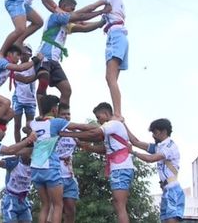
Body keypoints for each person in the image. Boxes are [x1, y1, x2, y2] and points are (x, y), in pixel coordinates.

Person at [59, 102, 134, 223]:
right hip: (119, 167)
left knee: (119, 205)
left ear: (105, 113)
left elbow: (94, 133)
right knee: (117, 204)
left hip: (121, 167)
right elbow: (105, 149)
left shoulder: (113, 124)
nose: (98, 121)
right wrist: (85, 146)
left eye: (99, 117)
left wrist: (68, 133)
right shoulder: (112, 129)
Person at [35, 0, 108, 112]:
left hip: (54, 60)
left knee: (66, 90)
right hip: (44, 55)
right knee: (43, 81)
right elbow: (81, 16)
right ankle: (42, 114)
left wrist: (101, 23)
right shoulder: (56, 17)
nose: (73, 12)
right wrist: (101, 11)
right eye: (72, 9)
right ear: (63, 7)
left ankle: (63, 116)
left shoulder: (66, 25)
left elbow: (84, 27)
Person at [30, 95, 95, 223]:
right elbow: (82, 127)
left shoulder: (33, 124)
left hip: (35, 168)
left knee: (45, 206)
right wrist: (100, 128)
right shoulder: (56, 122)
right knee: (58, 205)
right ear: (55, 109)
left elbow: (27, 126)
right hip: (50, 168)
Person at [86, 0, 128, 121]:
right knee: (112, 80)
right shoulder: (111, 8)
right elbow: (95, 24)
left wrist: (71, 14)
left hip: (115, 36)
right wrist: (73, 22)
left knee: (110, 78)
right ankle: (116, 112)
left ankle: (117, 114)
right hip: (119, 36)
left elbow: (92, 7)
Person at [126, 119, 185, 223]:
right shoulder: (159, 146)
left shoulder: (169, 147)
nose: (153, 135)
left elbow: (151, 159)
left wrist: (133, 152)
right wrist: (122, 123)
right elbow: (135, 142)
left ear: (164, 131)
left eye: (155, 132)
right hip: (166, 190)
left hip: (173, 190)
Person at [46, 103, 78, 223]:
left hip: (69, 175)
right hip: (55, 174)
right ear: (57, 115)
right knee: (53, 209)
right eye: (63, 114)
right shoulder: (51, 129)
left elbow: (85, 142)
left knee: (70, 210)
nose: (66, 116)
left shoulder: (74, 131)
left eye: (68, 114)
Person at [0, 142, 33, 223]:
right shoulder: (14, 161)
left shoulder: (34, 164)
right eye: (26, 151)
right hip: (11, 199)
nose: (28, 154)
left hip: (23, 199)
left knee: (28, 220)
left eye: (31, 151)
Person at [12, 44, 37, 142]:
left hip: (30, 100)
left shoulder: (34, 66)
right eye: (20, 53)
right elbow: (25, 80)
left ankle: (28, 145)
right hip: (18, 99)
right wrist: (37, 75)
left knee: (30, 126)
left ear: (30, 54)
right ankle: (18, 148)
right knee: (17, 125)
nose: (22, 55)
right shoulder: (14, 68)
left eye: (24, 52)